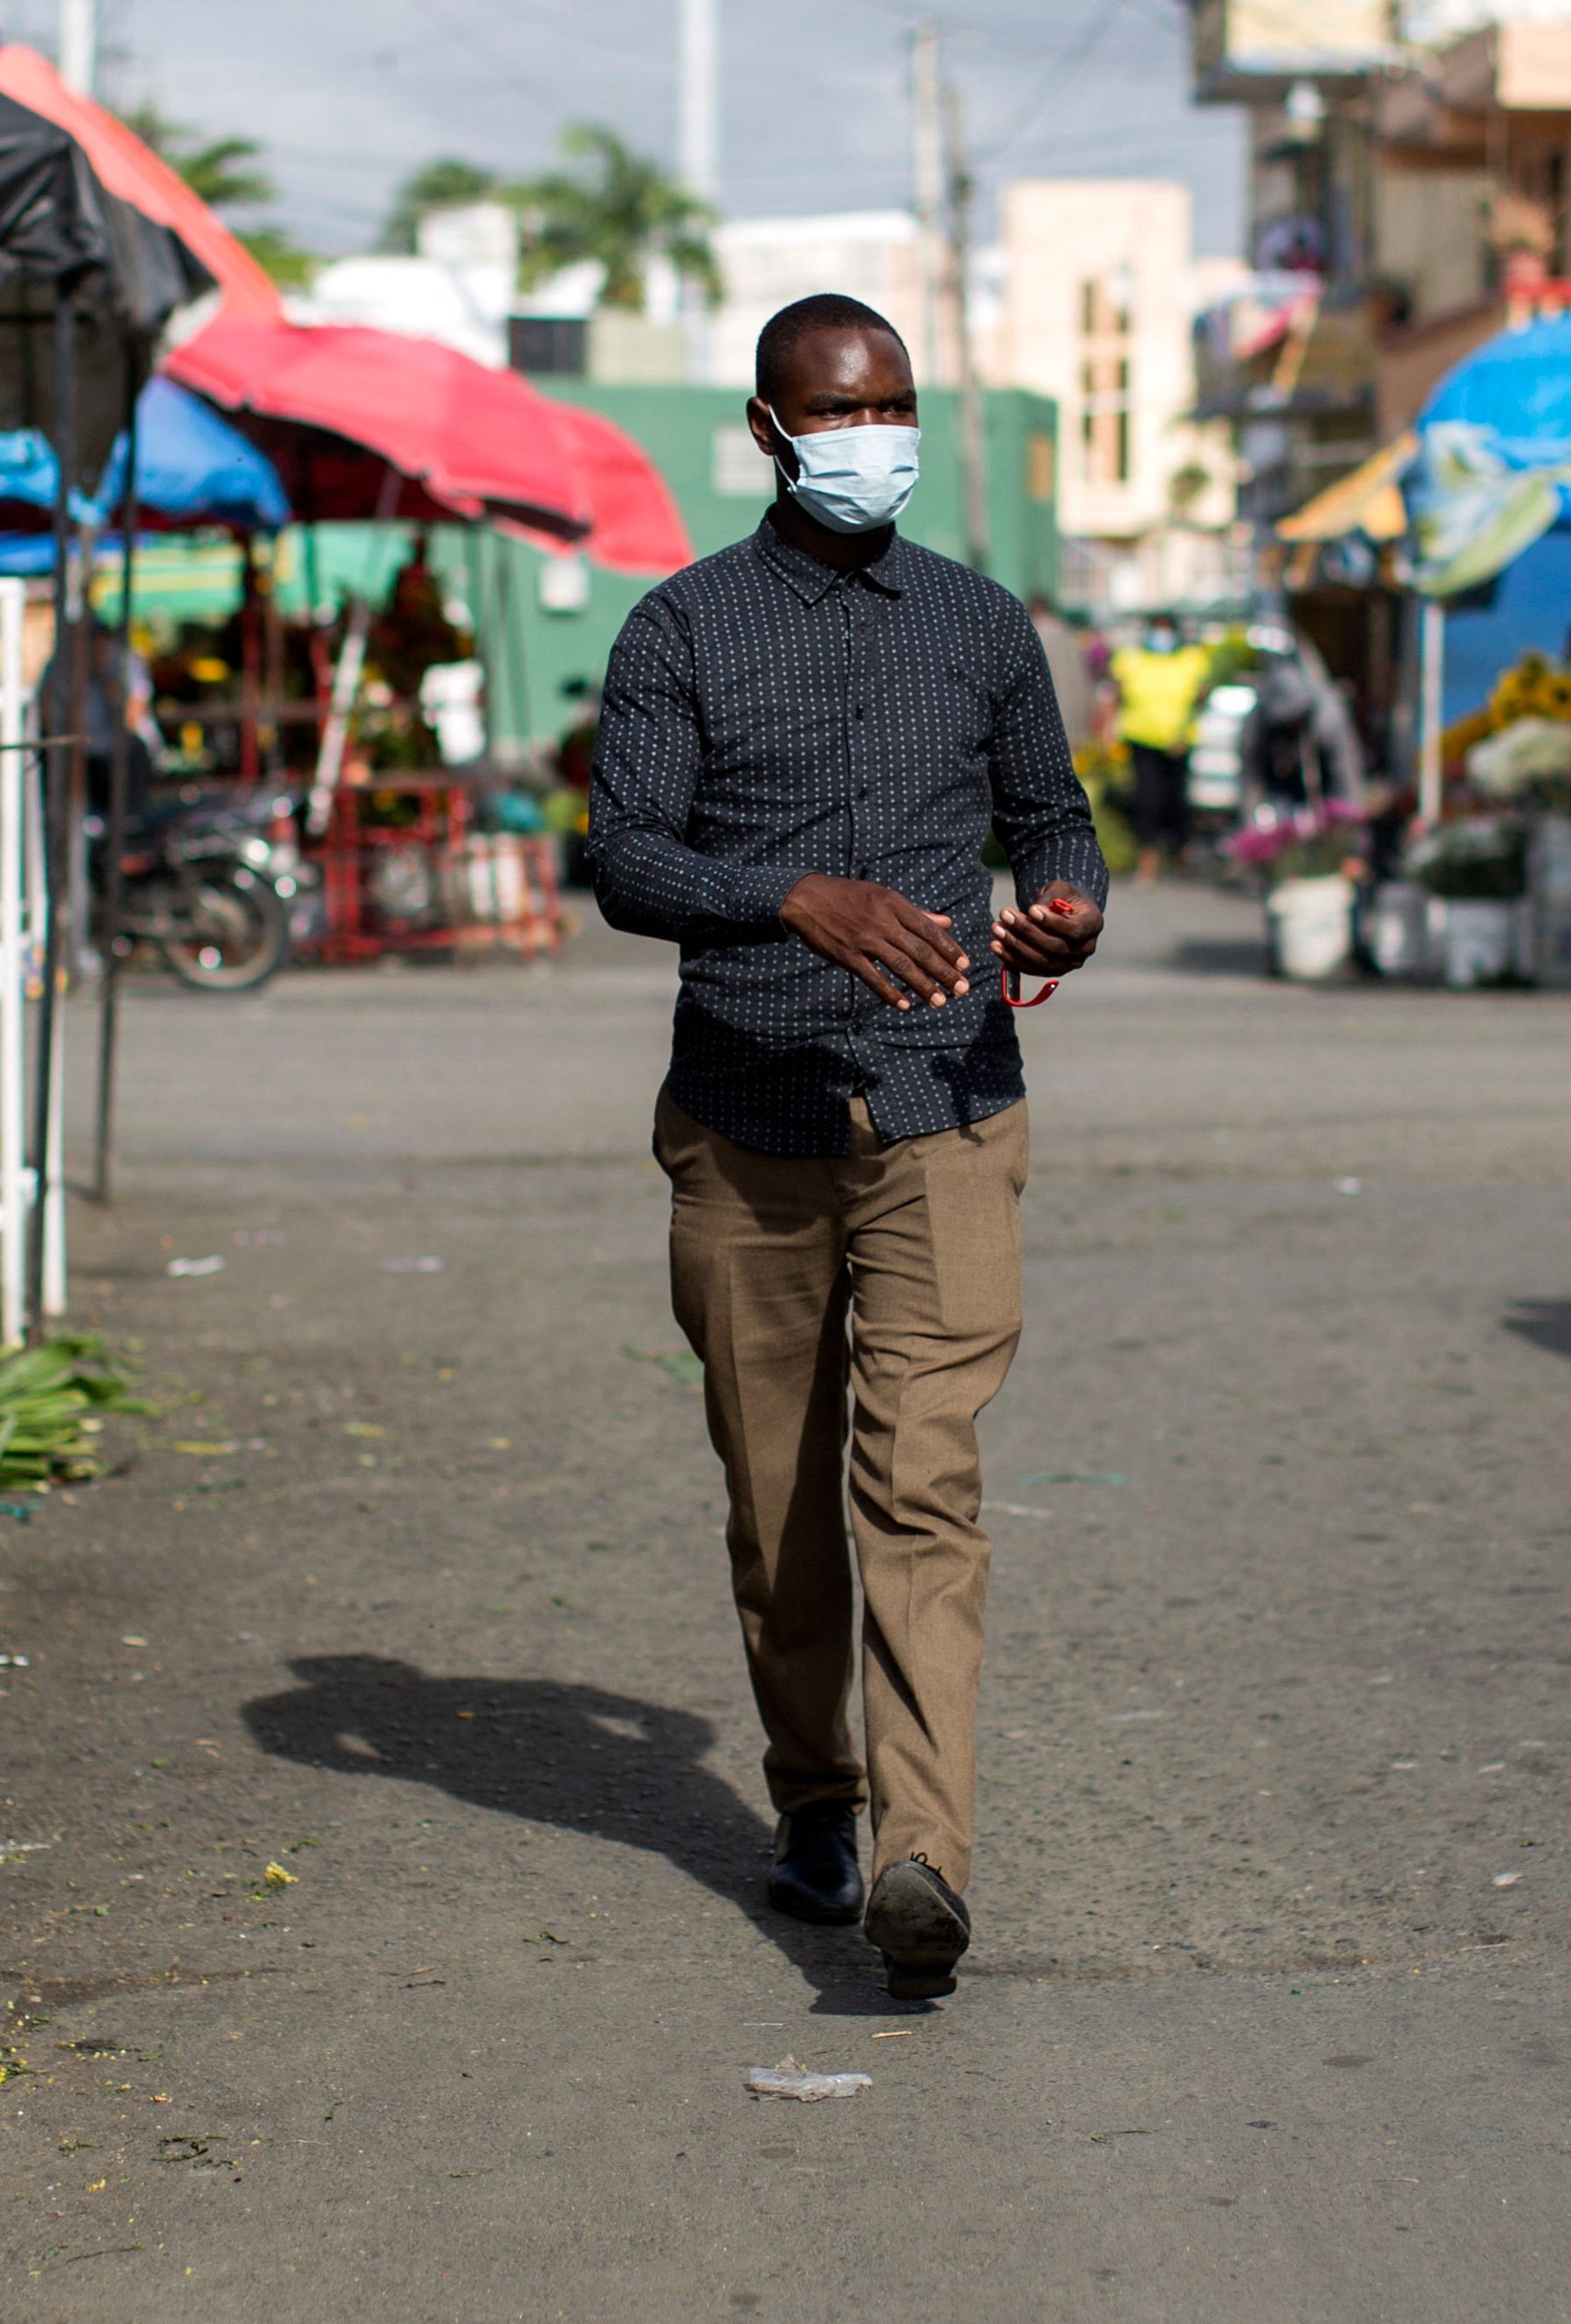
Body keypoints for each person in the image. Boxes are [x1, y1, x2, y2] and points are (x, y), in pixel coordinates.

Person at [587, 291, 1106, 2002]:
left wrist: (1066, 904)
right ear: (767, 430)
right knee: (777, 1501)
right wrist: (789, 897)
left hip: (946, 1107)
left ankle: (920, 1855)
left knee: (921, 1482)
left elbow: (1052, 817)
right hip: (747, 1123)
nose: (873, 436)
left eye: (893, 404)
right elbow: (624, 857)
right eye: (838, 411)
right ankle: (814, 1793)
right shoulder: (679, 628)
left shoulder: (976, 623)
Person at [1111, 614, 1212, 878]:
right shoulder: (1131, 658)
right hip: (1142, 738)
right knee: (1148, 799)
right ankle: (1148, 858)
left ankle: (1179, 854)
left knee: (1177, 800)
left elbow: (1202, 693)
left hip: (1179, 741)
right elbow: (1117, 693)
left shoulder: (1191, 659)